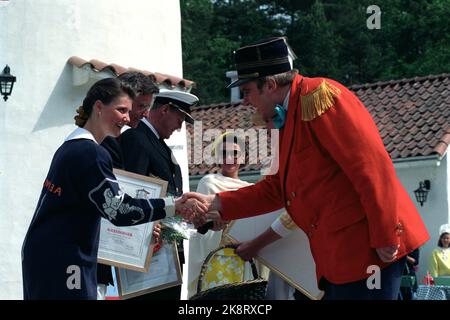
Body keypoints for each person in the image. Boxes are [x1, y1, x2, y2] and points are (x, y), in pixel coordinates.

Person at [185, 36, 430, 300]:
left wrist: (386, 234)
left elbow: (371, 168)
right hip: (336, 257)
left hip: (369, 250)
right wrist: (215, 202)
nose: (244, 102)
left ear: (269, 84)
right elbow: (274, 190)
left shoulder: (321, 96)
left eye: (247, 92)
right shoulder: (285, 117)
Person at [21, 78, 204, 300]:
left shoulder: (71, 146)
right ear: (98, 107)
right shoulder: (90, 153)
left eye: (129, 111)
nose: (127, 118)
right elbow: (119, 210)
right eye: (121, 110)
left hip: (51, 254)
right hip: (65, 257)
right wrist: (173, 205)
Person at [120, 88, 199, 299]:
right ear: (165, 110)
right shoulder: (136, 139)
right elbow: (131, 194)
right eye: (180, 118)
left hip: (167, 252)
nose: (180, 126)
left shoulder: (158, 145)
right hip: (147, 251)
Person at [97, 72, 160, 300]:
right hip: (91, 254)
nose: (145, 114)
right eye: (141, 106)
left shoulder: (114, 140)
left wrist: (145, 223)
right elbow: (114, 201)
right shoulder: (101, 144)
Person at [187, 132, 274, 298]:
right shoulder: (209, 182)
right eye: (224, 153)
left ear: (243, 157)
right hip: (218, 257)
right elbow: (201, 221)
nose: (230, 158)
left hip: (244, 257)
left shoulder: (250, 189)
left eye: (235, 153)